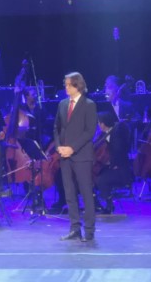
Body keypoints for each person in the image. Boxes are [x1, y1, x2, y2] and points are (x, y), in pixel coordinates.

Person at [54, 72, 97, 242]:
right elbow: (56, 128)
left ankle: (89, 231)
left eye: (68, 84)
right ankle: (74, 228)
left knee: (86, 193)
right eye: (65, 84)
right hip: (64, 156)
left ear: (77, 85)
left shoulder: (89, 105)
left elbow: (89, 132)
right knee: (69, 194)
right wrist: (59, 147)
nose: (65, 87)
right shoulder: (62, 104)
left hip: (81, 156)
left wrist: (72, 148)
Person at [93, 112, 132, 214]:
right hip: (112, 167)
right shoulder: (104, 134)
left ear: (103, 124)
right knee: (92, 177)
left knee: (100, 179)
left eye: (99, 123)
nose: (98, 125)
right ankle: (95, 203)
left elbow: (119, 152)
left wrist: (112, 163)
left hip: (121, 170)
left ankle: (109, 205)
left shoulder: (116, 134)